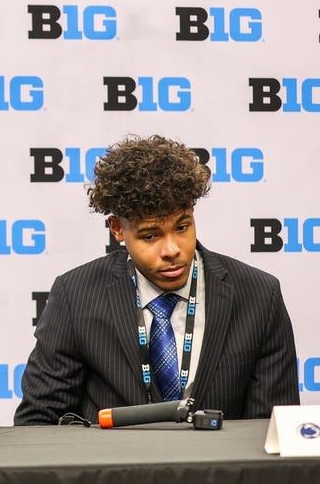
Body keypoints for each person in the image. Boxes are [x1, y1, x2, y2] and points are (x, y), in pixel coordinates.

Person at [15, 135, 299, 426]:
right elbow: (38, 420)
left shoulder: (260, 295)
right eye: (150, 236)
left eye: (182, 227)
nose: (172, 250)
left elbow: (274, 429)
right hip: (113, 469)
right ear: (117, 229)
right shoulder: (75, 295)